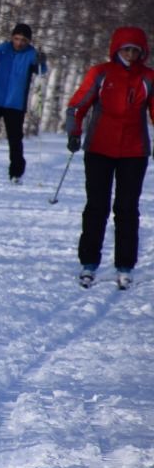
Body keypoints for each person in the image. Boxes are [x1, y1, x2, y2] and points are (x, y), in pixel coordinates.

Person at [65, 26, 154, 289]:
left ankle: (125, 265)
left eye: (135, 50)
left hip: (134, 151)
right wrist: (74, 131)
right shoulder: (101, 72)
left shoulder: (148, 78)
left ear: (142, 53)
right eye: (126, 49)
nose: (130, 54)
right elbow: (78, 104)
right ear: (116, 49)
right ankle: (88, 262)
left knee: (126, 209)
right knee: (96, 206)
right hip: (99, 149)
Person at [0, 22, 48, 183]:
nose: (19, 43)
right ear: (12, 37)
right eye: (17, 38)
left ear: (28, 42)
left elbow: (41, 70)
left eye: (23, 40)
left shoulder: (31, 54)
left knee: (14, 139)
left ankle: (16, 173)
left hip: (15, 103)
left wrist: (42, 61)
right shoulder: (3, 49)